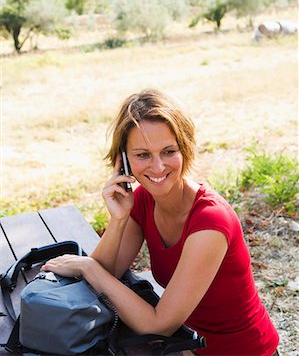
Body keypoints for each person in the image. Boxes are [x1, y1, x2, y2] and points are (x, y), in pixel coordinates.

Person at [42, 89, 280, 356]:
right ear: (124, 159)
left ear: (185, 148)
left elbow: (158, 325)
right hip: (187, 343)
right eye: (142, 155)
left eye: (168, 151)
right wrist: (119, 220)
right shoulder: (143, 200)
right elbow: (109, 270)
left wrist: (88, 267)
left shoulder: (210, 222)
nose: (157, 167)